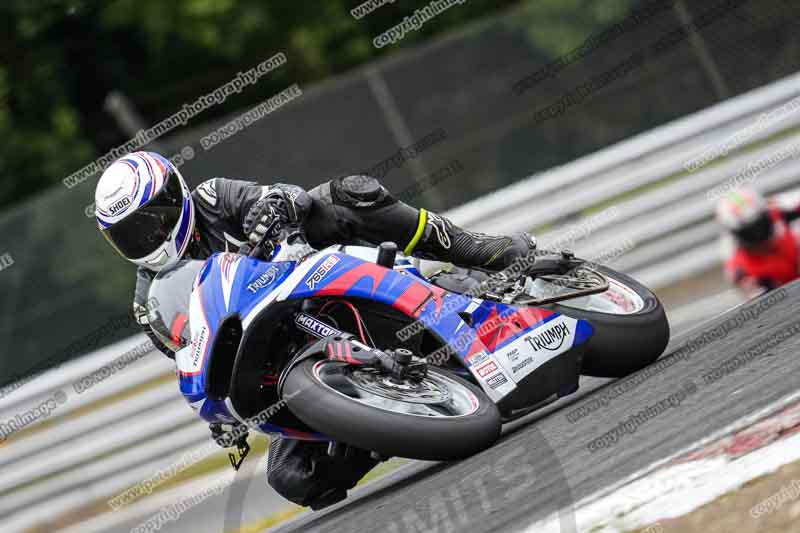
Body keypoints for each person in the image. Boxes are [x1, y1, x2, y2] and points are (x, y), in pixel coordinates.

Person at [94, 150, 536, 509]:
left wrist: (274, 208)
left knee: (347, 195)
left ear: (174, 197)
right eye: (129, 235)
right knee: (293, 477)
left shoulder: (212, 199)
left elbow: (288, 196)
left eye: (150, 221)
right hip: (284, 354)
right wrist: (223, 419)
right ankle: (390, 419)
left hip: (317, 278)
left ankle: (478, 251)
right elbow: (193, 357)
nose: (147, 239)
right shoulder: (149, 303)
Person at [716, 187, 800, 296]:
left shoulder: (782, 208)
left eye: (761, 225)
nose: (758, 234)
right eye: (749, 232)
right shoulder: (737, 265)